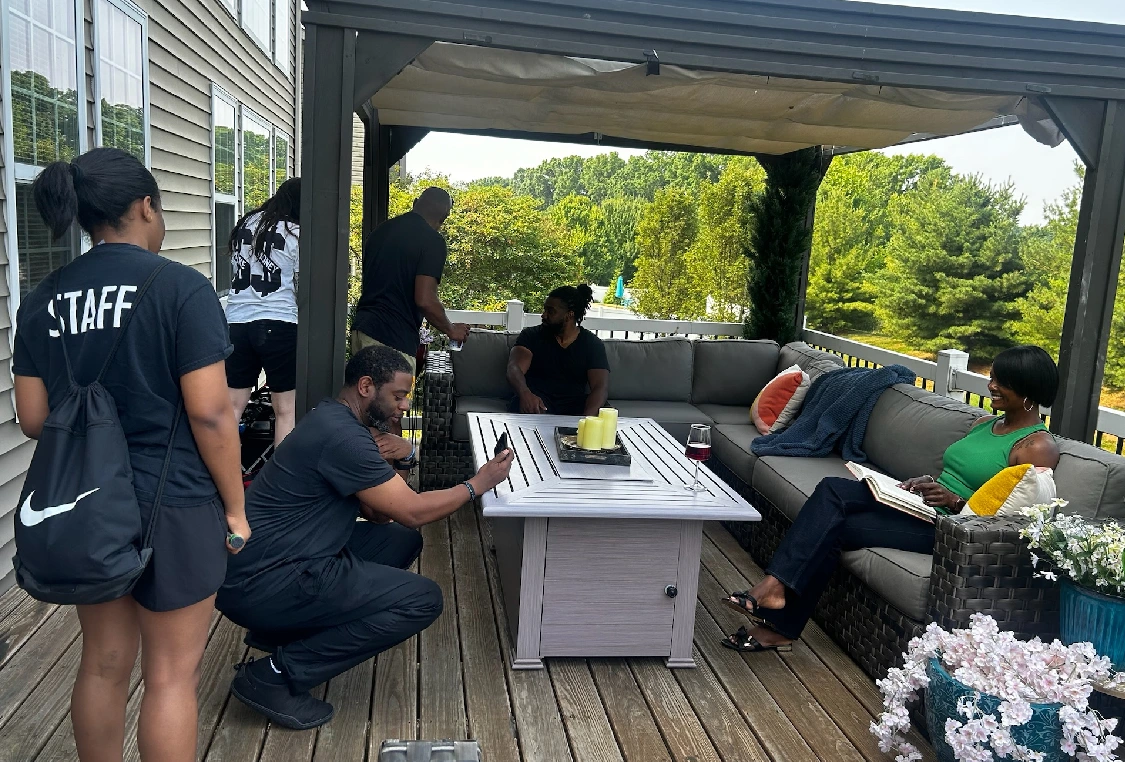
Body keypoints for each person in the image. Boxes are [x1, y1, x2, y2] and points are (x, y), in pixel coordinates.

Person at [12, 147, 249, 761]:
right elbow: (209, 411)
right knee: (170, 675)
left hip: (86, 502)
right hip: (174, 499)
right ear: (146, 206)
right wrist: (236, 508)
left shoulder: (42, 299)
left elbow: (35, 419)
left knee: (103, 663)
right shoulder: (181, 290)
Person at [216, 345, 513, 729]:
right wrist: (479, 483)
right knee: (422, 600)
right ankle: (274, 675)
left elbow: (379, 513)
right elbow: (413, 510)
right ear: (366, 386)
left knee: (400, 540)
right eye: (399, 395)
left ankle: (288, 630)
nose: (405, 405)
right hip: (266, 580)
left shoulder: (335, 420)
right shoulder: (344, 438)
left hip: (267, 565)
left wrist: (404, 456)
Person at [720, 345, 1061, 653]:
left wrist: (956, 503)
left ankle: (773, 590)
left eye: (1003, 382)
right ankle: (779, 621)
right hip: (923, 508)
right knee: (832, 506)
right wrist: (927, 483)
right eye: (994, 378)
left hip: (949, 531)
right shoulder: (985, 424)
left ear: (1030, 390)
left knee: (833, 497)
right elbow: (956, 474)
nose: (992, 386)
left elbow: (1010, 516)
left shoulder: (1037, 447)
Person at [352, 187, 469, 375]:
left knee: (362, 402)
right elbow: (425, 299)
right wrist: (451, 329)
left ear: (415, 203)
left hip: (362, 330)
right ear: (444, 217)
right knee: (395, 403)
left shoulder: (380, 232)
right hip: (391, 340)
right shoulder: (432, 241)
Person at [225, 177, 301, 448]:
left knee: (231, 409)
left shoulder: (246, 224)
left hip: (236, 322)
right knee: (286, 411)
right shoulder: (294, 231)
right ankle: (281, 485)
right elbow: (301, 283)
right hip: (279, 321)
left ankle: (225, 481)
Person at [507, 284, 610, 416]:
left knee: (605, 412)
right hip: (537, 401)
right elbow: (514, 368)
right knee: (527, 407)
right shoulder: (531, 335)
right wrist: (524, 393)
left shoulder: (592, 343)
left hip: (575, 404)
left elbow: (600, 387)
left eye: (551, 311)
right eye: (545, 310)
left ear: (569, 315)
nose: (543, 315)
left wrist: (587, 420)